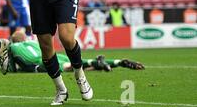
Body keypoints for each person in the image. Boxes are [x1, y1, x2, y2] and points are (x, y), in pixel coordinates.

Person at [8, 31, 144, 73]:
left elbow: (12, 68)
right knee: (78, 63)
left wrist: (18, 70)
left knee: (69, 68)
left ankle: (98, 64)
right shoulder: (32, 42)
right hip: (54, 55)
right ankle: (118, 62)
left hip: (41, 62)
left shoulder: (13, 47)